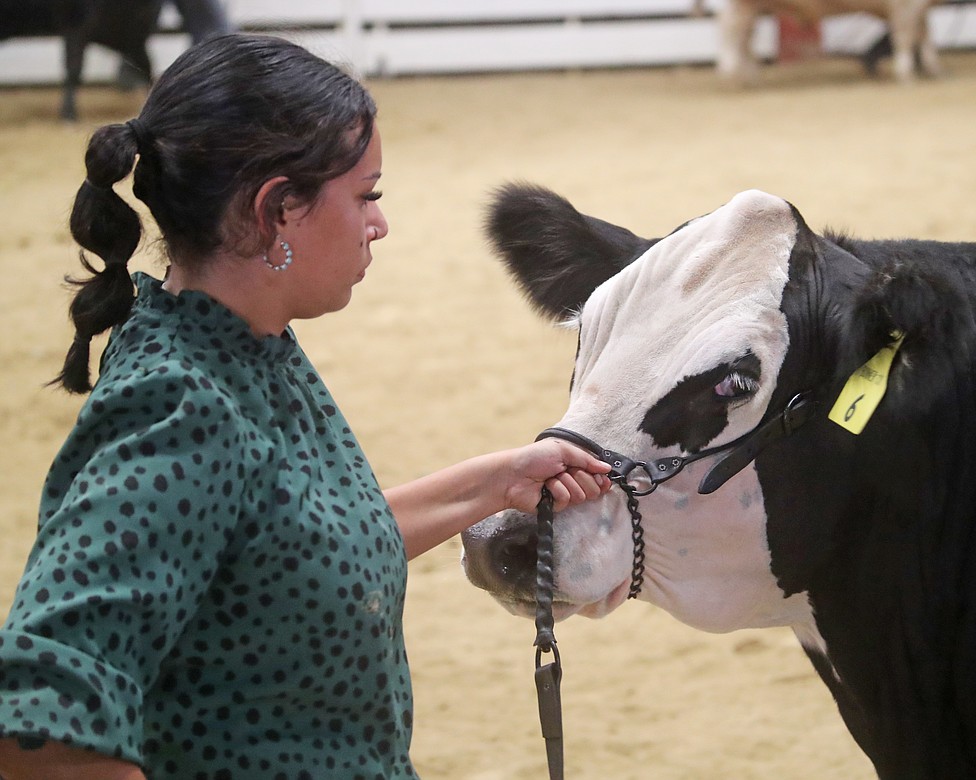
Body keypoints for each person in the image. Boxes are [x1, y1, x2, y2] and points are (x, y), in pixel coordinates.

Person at [0, 33, 611, 780]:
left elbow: (292, 546)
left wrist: (496, 482)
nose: (378, 224)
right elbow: (40, 715)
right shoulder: (179, 409)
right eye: (366, 196)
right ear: (278, 210)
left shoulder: (239, 343)